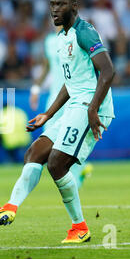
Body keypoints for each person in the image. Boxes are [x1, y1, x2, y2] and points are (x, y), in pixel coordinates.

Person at [0, 0, 115, 244]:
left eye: (60, 4)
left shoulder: (85, 32)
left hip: (90, 106)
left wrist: (94, 108)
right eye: (52, 4)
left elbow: (108, 71)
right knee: (34, 152)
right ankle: (10, 208)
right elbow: (70, 82)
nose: (54, 9)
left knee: (56, 163)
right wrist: (49, 114)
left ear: (74, 7)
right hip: (74, 103)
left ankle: (80, 228)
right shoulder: (61, 38)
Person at [29, 25, 93, 189]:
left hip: (75, 97)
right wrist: (36, 89)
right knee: (48, 140)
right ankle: (76, 172)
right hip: (54, 98)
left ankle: (77, 176)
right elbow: (46, 66)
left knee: (73, 140)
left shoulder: (77, 37)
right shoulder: (50, 41)